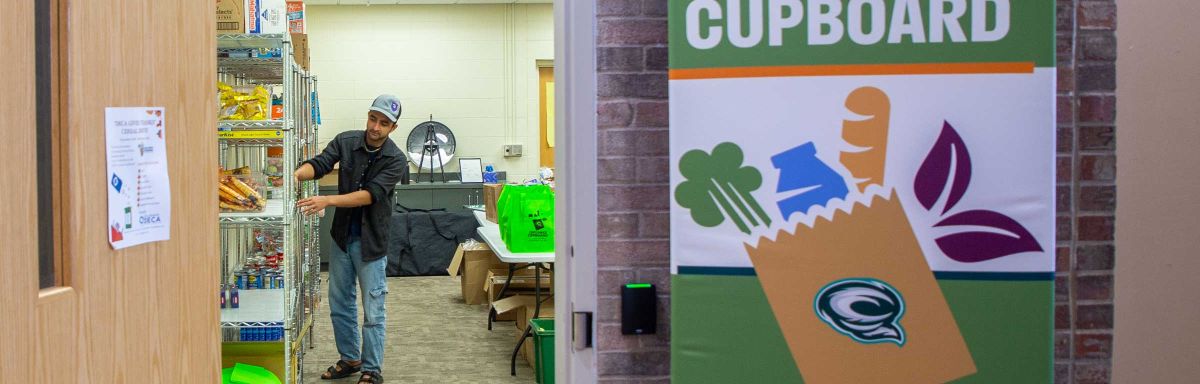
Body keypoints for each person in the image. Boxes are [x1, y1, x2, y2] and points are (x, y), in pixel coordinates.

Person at [294, 94, 408, 384]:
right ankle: (350, 359)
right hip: (342, 238)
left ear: (393, 128)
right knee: (340, 302)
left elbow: (370, 195)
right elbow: (320, 164)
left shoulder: (396, 159)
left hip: (371, 244)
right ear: (368, 115)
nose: (375, 127)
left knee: (373, 308)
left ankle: (371, 369)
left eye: (384, 123)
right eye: (373, 119)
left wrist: (327, 200)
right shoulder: (346, 141)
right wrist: (296, 175)